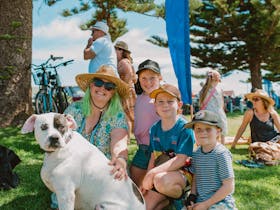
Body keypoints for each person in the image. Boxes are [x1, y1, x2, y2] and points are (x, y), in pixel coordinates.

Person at [50, 65, 129, 209]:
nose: (102, 88)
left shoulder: (118, 115)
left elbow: (119, 142)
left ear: (113, 92)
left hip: (99, 171)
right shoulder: (74, 108)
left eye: (109, 86)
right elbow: (60, 138)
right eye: (98, 82)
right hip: (72, 168)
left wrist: (120, 159)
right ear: (91, 85)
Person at [142, 84, 195, 210]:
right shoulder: (154, 128)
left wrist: (152, 174)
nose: (165, 105)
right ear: (155, 105)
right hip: (161, 173)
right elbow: (153, 156)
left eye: (170, 101)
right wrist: (147, 177)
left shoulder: (185, 128)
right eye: (160, 101)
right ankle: (167, 200)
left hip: (182, 174)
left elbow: (181, 159)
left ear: (179, 105)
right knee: (145, 207)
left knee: (161, 181)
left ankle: (181, 199)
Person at [184, 110, 236, 210]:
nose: (203, 133)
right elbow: (196, 175)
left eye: (208, 129)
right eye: (198, 129)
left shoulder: (221, 154)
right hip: (201, 201)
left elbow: (229, 186)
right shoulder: (197, 153)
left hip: (221, 202)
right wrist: (193, 195)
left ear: (218, 131)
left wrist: (206, 205)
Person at [129, 59, 162, 187]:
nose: (148, 82)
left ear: (160, 77)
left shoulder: (163, 98)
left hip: (160, 150)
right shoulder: (138, 99)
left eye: (152, 78)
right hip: (142, 149)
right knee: (135, 185)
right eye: (144, 78)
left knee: (156, 185)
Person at [199, 70, 227, 144]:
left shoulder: (204, 89)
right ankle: (222, 147)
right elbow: (222, 103)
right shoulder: (219, 89)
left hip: (207, 113)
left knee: (210, 132)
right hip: (218, 112)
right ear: (216, 78)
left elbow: (202, 104)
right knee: (221, 131)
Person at [115, 40, 137, 136]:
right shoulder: (127, 62)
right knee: (129, 115)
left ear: (121, 50)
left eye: (115, 49)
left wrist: (123, 87)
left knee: (126, 116)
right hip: (128, 90)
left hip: (126, 91)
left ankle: (127, 139)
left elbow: (129, 74)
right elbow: (134, 79)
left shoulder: (123, 62)